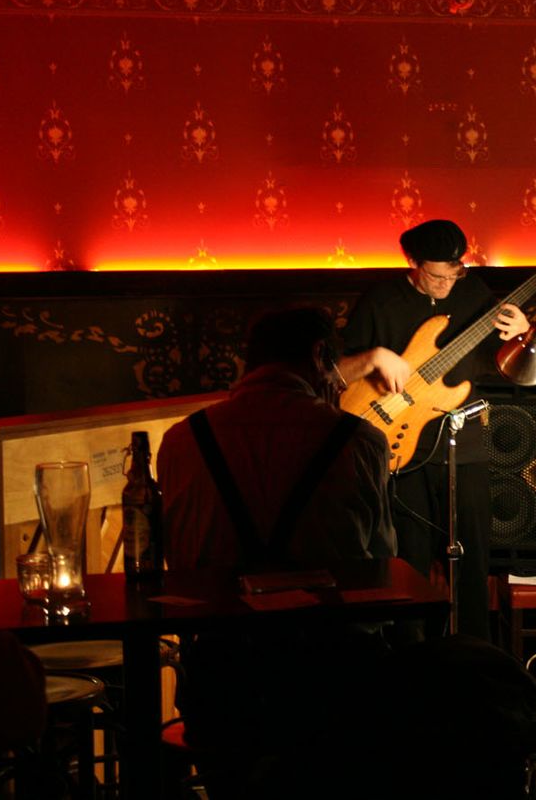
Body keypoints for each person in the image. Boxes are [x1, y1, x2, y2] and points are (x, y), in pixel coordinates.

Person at [157, 306, 399, 797]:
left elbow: (178, 559)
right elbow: (377, 569)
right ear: (319, 355)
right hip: (332, 676)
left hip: (221, 678)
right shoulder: (360, 439)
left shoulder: (182, 439)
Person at [338, 218, 529, 641]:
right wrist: (374, 357)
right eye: (436, 276)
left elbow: (515, 368)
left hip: (465, 445)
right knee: (410, 561)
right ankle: (413, 660)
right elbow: (334, 375)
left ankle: (474, 654)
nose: (446, 284)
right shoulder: (380, 300)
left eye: (453, 274)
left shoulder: (473, 293)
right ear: (412, 262)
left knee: (473, 560)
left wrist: (522, 334)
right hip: (402, 449)